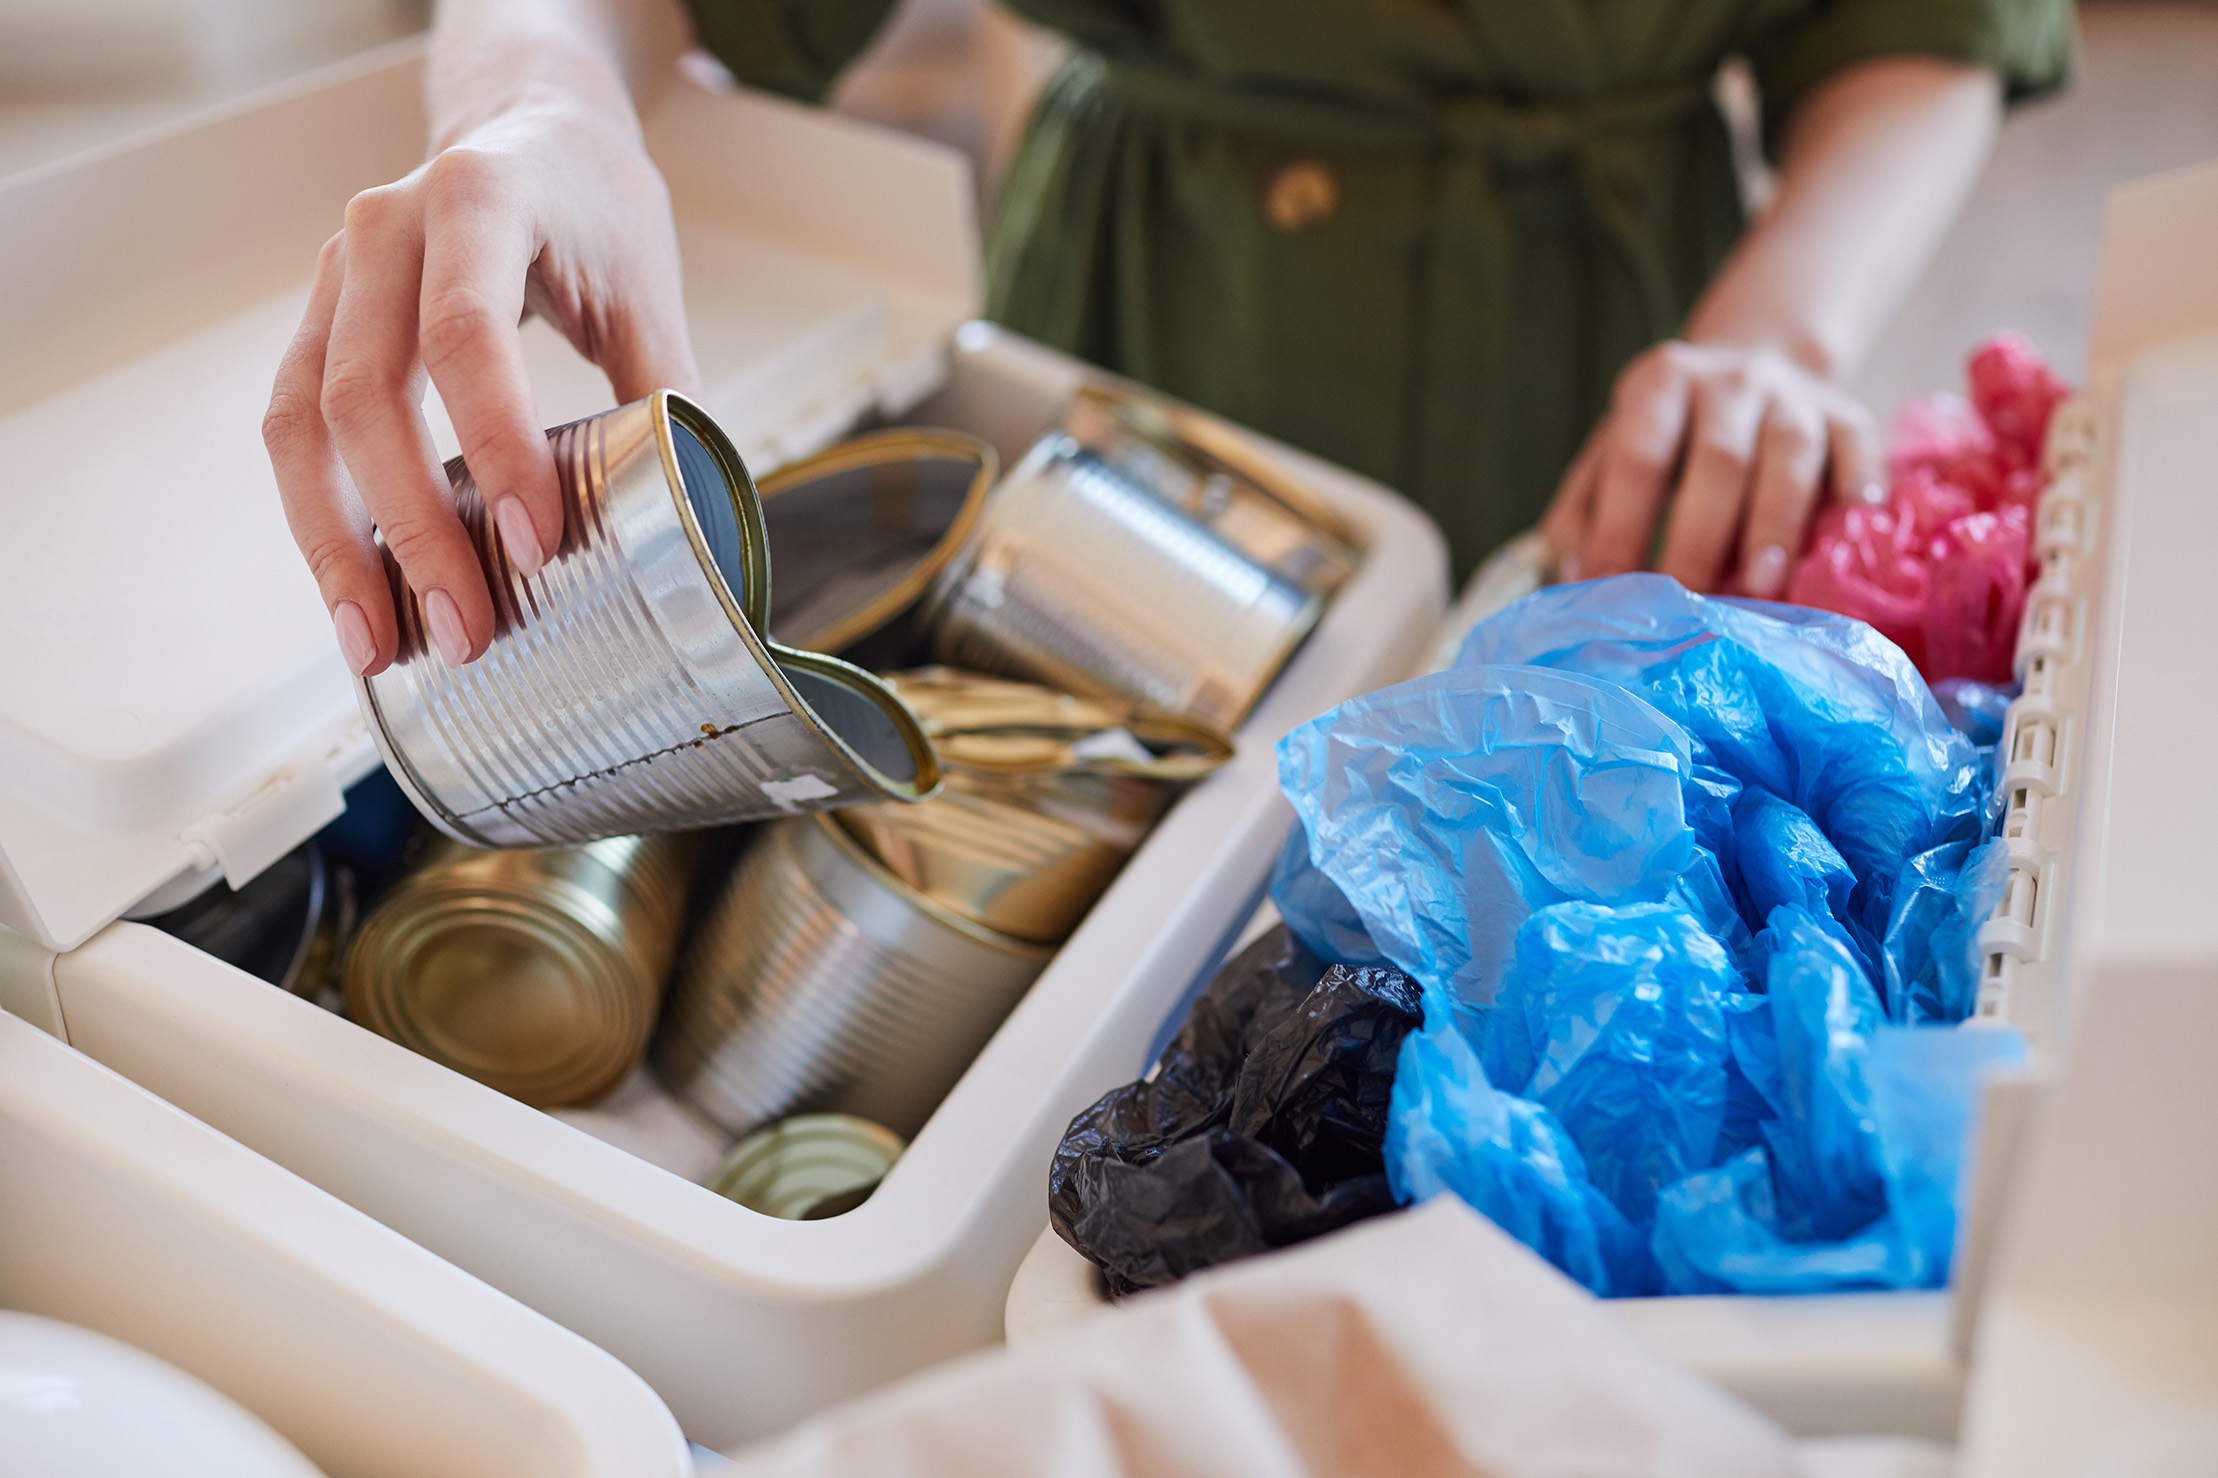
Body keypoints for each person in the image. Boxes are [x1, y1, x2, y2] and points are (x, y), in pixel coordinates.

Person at [263, 0, 2070, 676]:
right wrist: (529, 106)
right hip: (1130, 309)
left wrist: (1774, 334)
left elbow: (1915, 19)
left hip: (1605, 355)